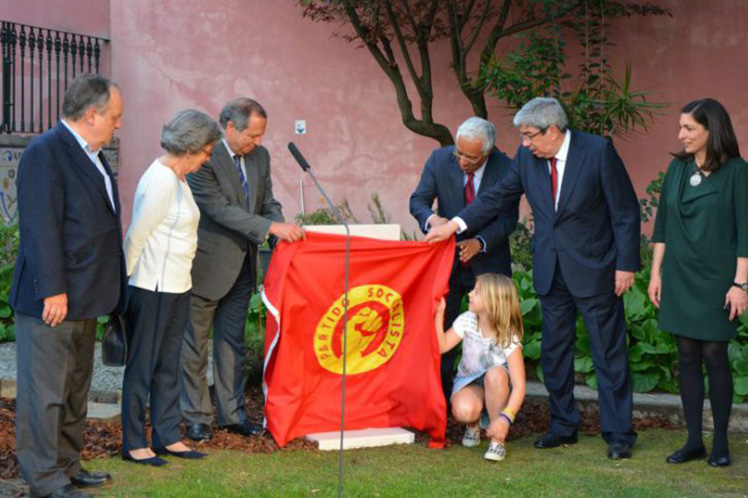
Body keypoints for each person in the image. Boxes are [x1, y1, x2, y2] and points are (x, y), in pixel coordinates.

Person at [426, 97, 641, 460]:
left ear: (552, 130)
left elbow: (625, 211)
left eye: (529, 136)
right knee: (555, 352)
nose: (523, 144)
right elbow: (496, 197)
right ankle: (562, 426)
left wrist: (626, 264)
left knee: (608, 351)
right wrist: (454, 225)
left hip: (595, 269)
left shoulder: (598, 151)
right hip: (550, 269)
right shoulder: (527, 159)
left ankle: (618, 432)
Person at [10, 74, 126, 498]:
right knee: (46, 393)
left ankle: (67, 465)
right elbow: (39, 225)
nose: (118, 125)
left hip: (85, 295)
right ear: (91, 114)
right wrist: (52, 289)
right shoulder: (46, 151)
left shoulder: (93, 153)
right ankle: (44, 478)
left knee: (74, 390)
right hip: (53, 300)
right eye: (114, 117)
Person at [180, 98, 305, 441]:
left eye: (262, 135)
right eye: (253, 135)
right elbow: (218, 209)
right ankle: (196, 418)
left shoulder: (260, 157)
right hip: (205, 267)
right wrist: (270, 229)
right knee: (195, 347)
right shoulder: (204, 155)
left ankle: (232, 415)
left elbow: (268, 202)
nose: (258, 142)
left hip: (243, 268)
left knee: (231, 344)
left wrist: (281, 236)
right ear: (230, 127)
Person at [648, 98, 748, 467]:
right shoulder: (677, 168)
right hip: (679, 275)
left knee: (714, 356)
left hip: (720, 278)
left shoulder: (738, 172)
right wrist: (656, 273)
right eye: (681, 127)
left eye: (689, 128)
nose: (681, 135)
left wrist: (741, 285)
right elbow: (662, 227)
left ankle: (720, 443)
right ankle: (693, 441)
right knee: (686, 356)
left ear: (712, 130)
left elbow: (745, 233)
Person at [121, 110, 223, 466]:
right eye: (207, 152)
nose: (208, 159)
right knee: (142, 367)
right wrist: (123, 287)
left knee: (168, 366)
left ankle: (166, 436)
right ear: (191, 146)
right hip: (151, 286)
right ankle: (134, 442)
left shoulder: (180, 179)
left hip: (178, 286)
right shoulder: (162, 180)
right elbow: (137, 235)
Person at [410, 117, 517, 404]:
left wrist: (480, 243)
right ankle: (439, 404)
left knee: (490, 341)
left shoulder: (507, 168)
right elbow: (417, 201)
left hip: (489, 268)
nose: (462, 161)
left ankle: (490, 407)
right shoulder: (439, 159)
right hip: (446, 265)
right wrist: (434, 220)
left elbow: (508, 219)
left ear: (489, 152)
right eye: (459, 153)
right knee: (442, 332)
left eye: (471, 157)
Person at [434, 274, 526, 461]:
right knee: (463, 411)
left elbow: (519, 385)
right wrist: (439, 314)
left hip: (496, 383)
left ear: (493, 301)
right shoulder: (467, 319)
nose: (470, 294)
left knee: (495, 374)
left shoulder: (509, 335)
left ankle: (497, 439)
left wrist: (505, 419)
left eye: (477, 292)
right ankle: (473, 425)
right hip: (470, 381)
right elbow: (442, 346)